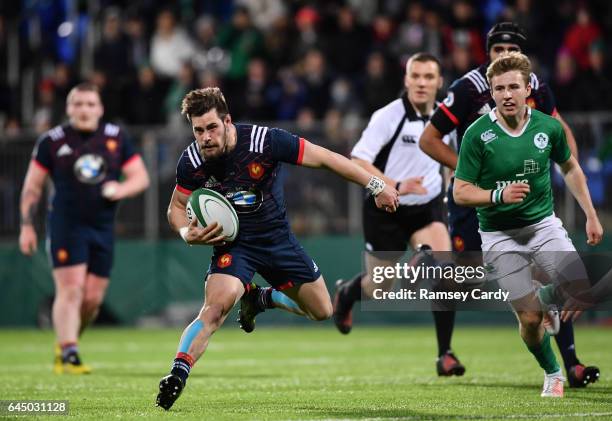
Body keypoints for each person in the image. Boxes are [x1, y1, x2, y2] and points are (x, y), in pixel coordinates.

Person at [155, 87, 398, 410]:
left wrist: (376, 184)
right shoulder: (193, 160)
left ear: (227, 121)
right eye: (198, 130)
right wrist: (186, 232)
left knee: (322, 311)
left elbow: (325, 158)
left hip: (277, 240)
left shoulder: (265, 141)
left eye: (212, 127)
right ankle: (177, 374)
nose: (205, 137)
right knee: (215, 309)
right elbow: (176, 207)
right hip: (235, 247)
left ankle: (260, 297)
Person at [419, 22, 599, 386]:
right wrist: (479, 179)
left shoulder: (539, 93)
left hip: (533, 214)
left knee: (565, 285)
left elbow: (562, 142)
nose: (503, 57)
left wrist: (576, 187)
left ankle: (571, 363)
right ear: (489, 54)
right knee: (457, 278)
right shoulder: (467, 89)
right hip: (479, 210)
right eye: (497, 50)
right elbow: (430, 139)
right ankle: (445, 351)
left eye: (510, 51)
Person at [331, 52, 454, 367]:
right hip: (385, 208)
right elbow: (357, 161)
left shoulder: (447, 117)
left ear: (440, 82)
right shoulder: (388, 115)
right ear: (406, 79)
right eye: (416, 76)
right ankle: (346, 294)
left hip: (426, 209)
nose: (422, 83)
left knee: (446, 273)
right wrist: (394, 185)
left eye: (429, 77)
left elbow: (450, 160)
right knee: (378, 289)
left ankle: (445, 354)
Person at [18, 82, 150, 374]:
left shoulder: (116, 137)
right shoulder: (51, 141)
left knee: (92, 300)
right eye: (78, 104)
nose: (84, 109)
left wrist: (121, 188)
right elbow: (32, 187)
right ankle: (69, 353)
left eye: (90, 104)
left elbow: (140, 177)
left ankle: (68, 341)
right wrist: (27, 226)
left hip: (102, 227)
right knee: (71, 289)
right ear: (68, 108)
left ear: (100, 109)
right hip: (66, 225)